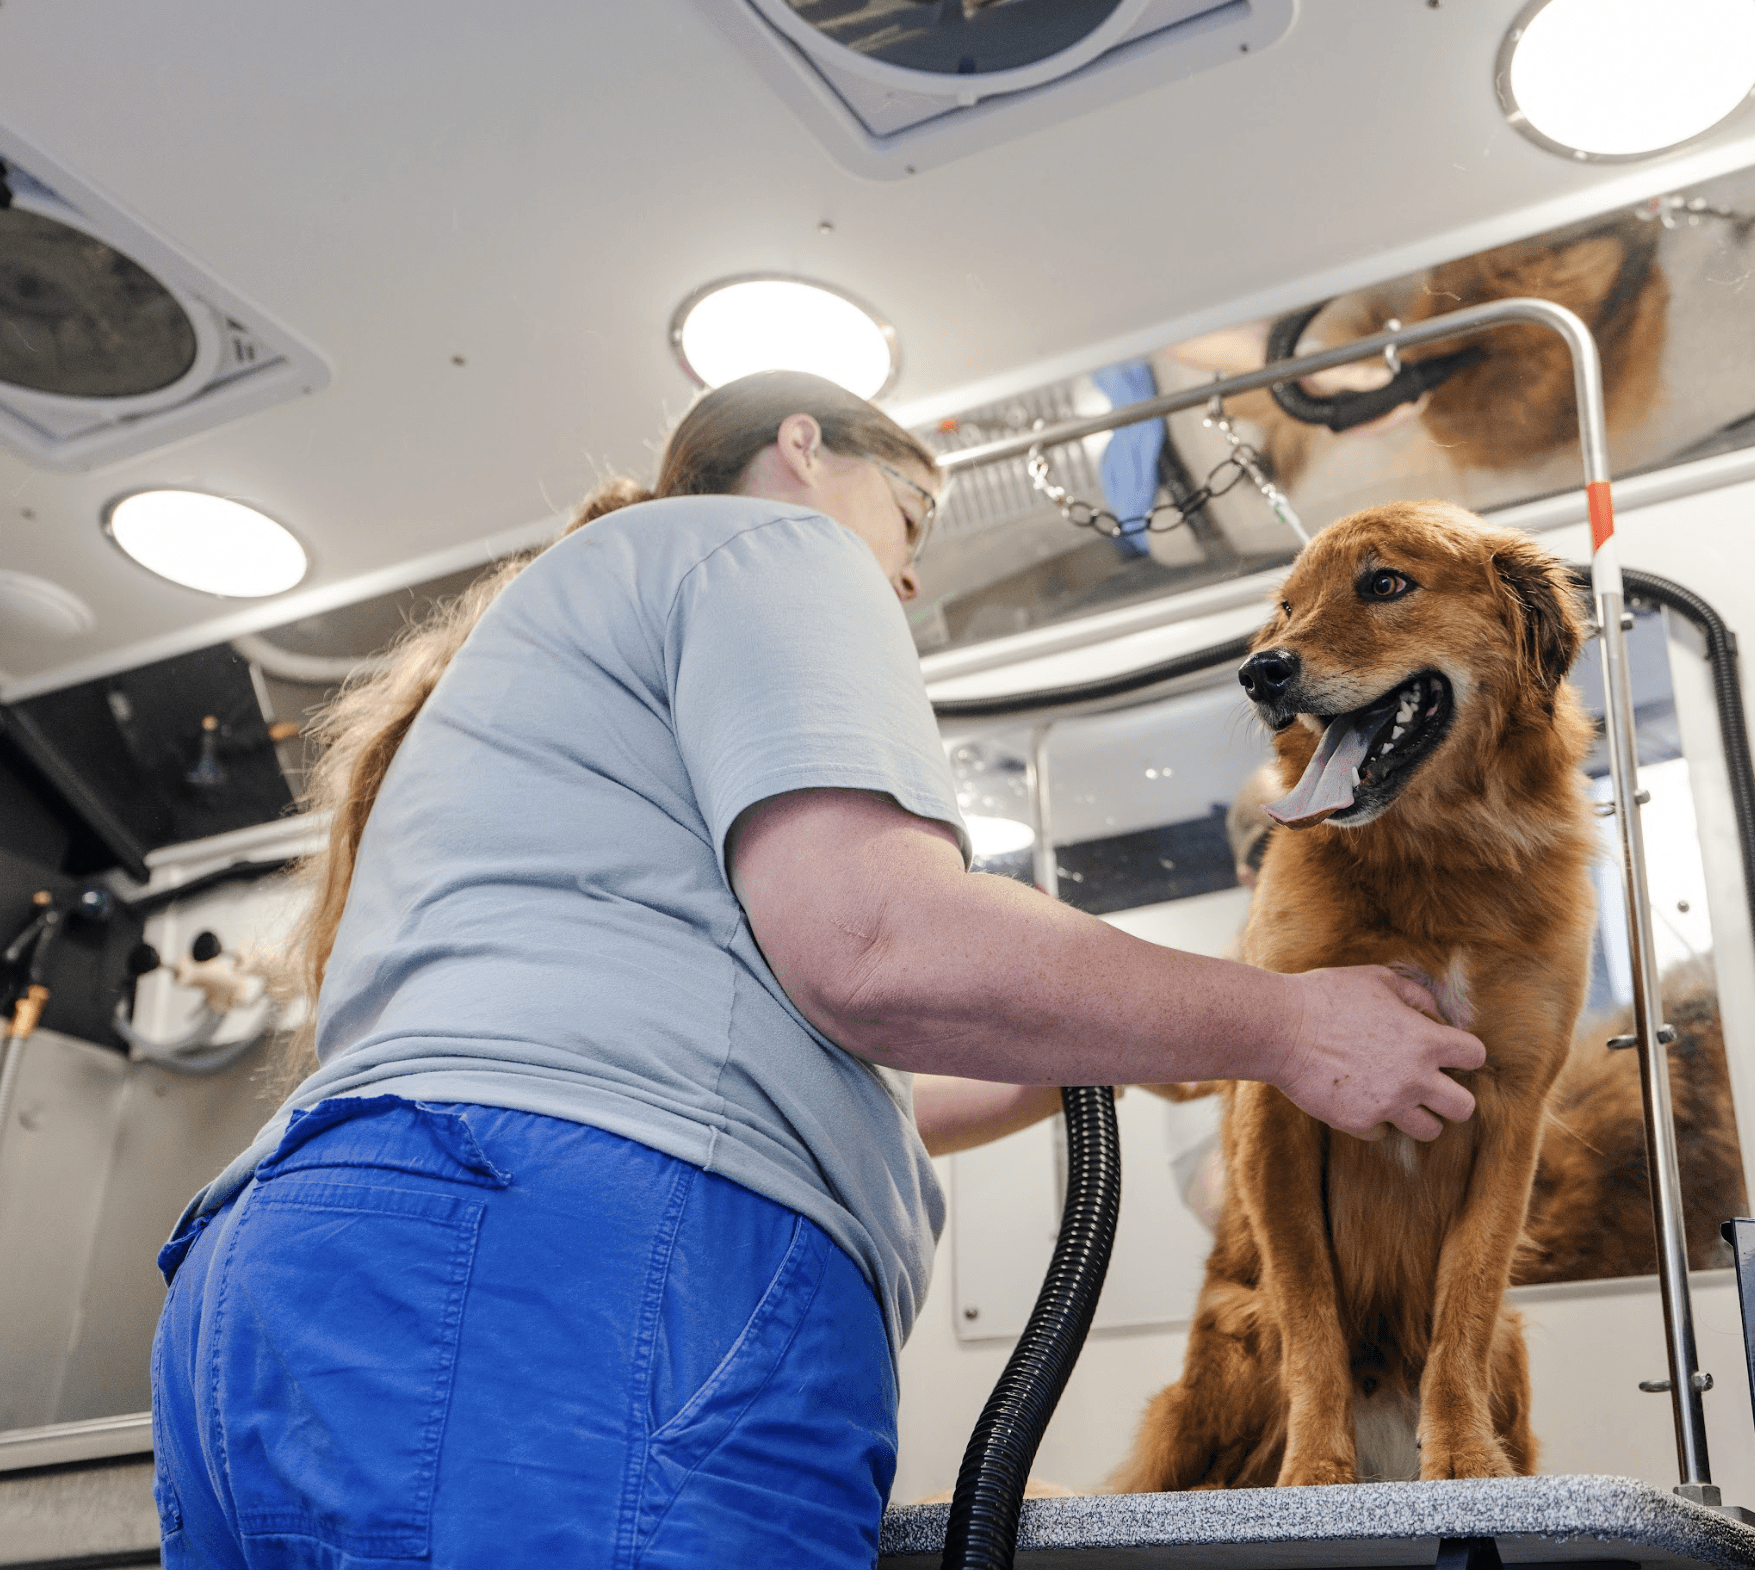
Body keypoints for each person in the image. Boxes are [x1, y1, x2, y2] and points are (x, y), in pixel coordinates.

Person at [148, 370, 1483, 1570]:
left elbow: (810, 1080)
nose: (904, 580)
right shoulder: (768, 543)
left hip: (307, 1281)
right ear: (802, 447)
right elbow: (878, 947)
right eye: (908, 522)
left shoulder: (557, 668)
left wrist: (1140, 1038)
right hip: (574, 1284)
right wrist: (1289, 1023)